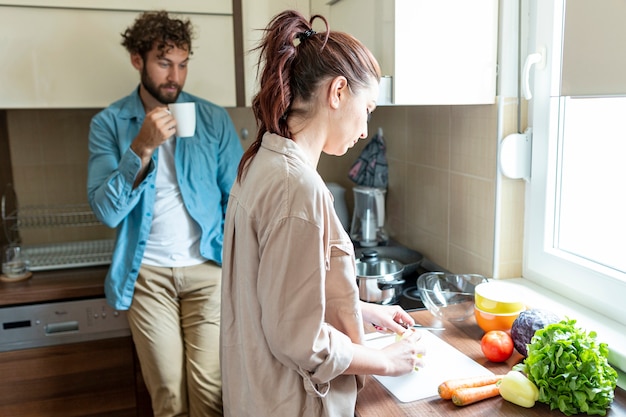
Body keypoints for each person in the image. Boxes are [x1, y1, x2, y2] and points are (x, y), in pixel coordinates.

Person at [220, 10, 424, 417]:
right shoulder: (298, 187)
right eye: (366, 109)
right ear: (338, 92)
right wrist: (390, 362)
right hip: (291, 403)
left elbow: (278, 298)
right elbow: (301, 341)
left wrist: (363, 311)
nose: (365, 129)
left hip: (256, 394)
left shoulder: (263, 160)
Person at [87, 10, 243, 417]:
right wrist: (142, 146)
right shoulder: (109, 123)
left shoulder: (213, 118)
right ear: (138, 61)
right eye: (163, 62)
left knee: (211, 392)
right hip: (148, 275)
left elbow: (239, 199)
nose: (175, 75)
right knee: (169, 397)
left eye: (183, 63)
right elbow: (106, 210)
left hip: (208, 270)